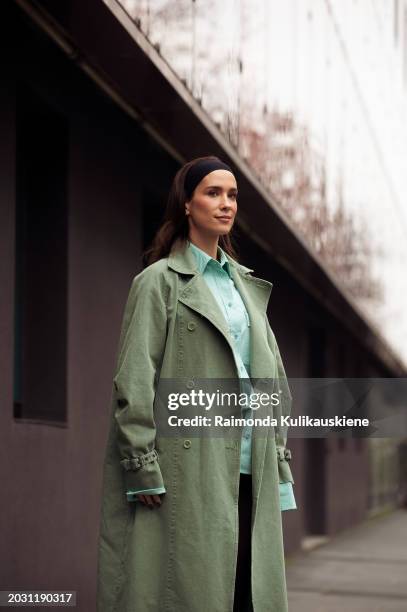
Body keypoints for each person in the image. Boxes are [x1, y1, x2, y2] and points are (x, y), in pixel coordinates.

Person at [97, 156, 297, 612]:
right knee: (191, 589)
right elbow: (133, 377)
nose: (226, 205)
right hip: (190, 466)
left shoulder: (247, 288)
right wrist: (141, 462)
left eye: (232, 195)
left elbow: (273, 380)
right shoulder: (158, 282)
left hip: (253, 461)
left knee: (247, 591)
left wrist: (280, 460)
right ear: (187, 203)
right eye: (213, 193)